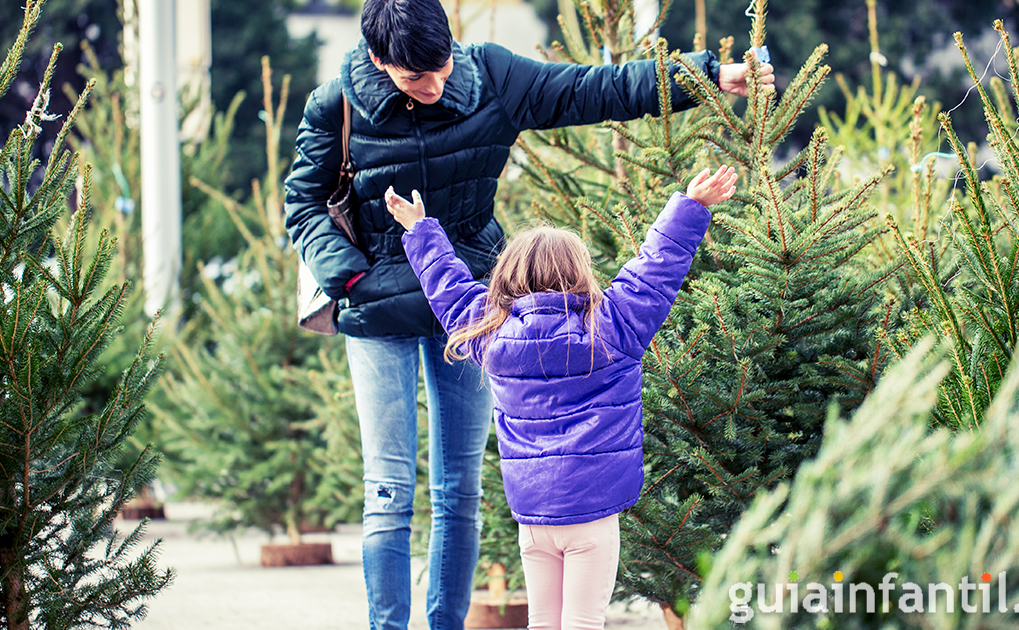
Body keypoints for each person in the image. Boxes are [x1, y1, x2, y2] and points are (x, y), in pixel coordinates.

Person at [283, 0, 773, 626]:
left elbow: (594, 89)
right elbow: (302, 204)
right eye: (413, 79)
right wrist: (351, 277)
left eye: (438, 68)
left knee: (459, 489)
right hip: (378, 307)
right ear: (379, 60)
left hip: (474, 308)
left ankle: (446, 622)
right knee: (389, 489)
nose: (433, 88)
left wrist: (706, 78)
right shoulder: (337, 106)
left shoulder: (489, 77)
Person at [384, 164, 739, 630]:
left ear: (508, 278)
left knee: (544, 623)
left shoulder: (493, 338)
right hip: (592, 515)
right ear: (580, 274)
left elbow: (449, 291)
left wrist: (421, 230)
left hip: (533, 516)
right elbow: (653, 271)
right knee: (582, 623)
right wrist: (690, 207)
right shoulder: (612, 328)